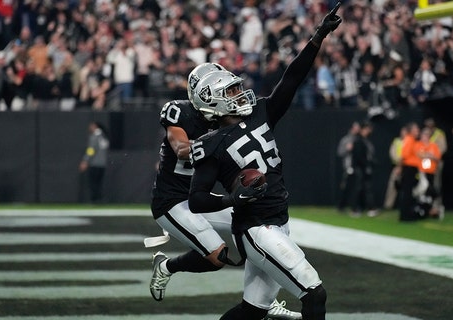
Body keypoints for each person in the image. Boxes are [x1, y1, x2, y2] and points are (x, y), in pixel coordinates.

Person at [188, 4, 341, 319]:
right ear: (210, 99)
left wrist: (318, 36)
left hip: (279, 224)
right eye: (229, 90)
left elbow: (293, 77)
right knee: (315, 294)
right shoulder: (211, 143)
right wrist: (232, 198)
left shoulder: (261, 111)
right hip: (257, 229)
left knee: (251, 310)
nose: (239, 92)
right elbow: (197, 199)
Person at [146, 62, 300, 319]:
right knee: (217, 257)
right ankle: (166, 266)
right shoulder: (179, 112)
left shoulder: (226, 119)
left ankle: (261, 301)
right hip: (173, 201)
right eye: (226, 92)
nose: (232, 97)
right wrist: (214, 145)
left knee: (254, 226)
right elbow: (182, 148)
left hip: (202, 199)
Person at [349, 120, 378, 217]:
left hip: (364, 168)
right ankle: (355, 209)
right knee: (358, 188)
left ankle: (366, 208)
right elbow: (358, 156)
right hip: (359, 168)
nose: (369, 131)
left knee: (365, 188)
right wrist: (366, 165)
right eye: (368, 129)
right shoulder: (358, 141)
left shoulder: (366, 141)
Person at [414, 127, 443, 219]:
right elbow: (417, 154)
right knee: (423, 189)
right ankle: (422, 209)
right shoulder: (417, 145)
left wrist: (431, 156)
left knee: (431, 190)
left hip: (431, 171)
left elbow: (438, 158)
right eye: (423, 135)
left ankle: (432, 209)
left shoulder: (433, 146)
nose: (425, 137)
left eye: (427, 135)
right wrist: (425, 155)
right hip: (421, 172)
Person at [79, 121, 110, 203]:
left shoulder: (94, 137)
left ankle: (94, 199)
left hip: (95, 163)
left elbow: (91, 150)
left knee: (93, 183)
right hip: (102, 164)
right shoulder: (104, 136)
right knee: (99, 183)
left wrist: (85, 161)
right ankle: (99, 199)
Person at [398, 122, 421, 221]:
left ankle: (407, 214)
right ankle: (405, 215)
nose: (418, 131)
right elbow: (404, 155)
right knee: (407, 192)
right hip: (409, 168)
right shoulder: (409, 140)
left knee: (409, 192)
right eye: (416, 130)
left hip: (411, 168)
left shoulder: (412, 140)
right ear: (411, 130)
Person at [336, 121, 360, 213]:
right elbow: (340, 152)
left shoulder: (359, 139)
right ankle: (341, 206)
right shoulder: (345, 140)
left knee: (356, 188)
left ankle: (354, 207)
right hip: (348, 167)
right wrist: (347, 149)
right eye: (355, 129)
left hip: (357, 166)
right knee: (346, 187)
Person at [383, 126, 406, 210]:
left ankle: (405, 205)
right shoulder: (396, 141)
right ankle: (388, 205)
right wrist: (399, 162)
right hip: (397, 167)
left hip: (407, 167)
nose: (403, 133)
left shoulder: (410, 141)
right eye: (402, 131)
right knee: (392, 186)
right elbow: (392, 153)